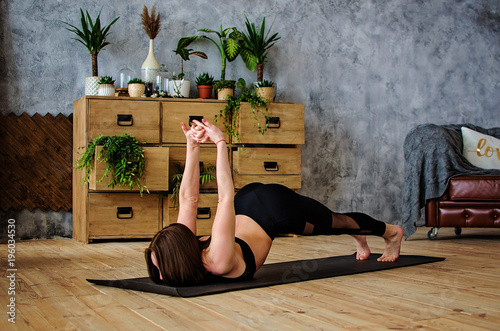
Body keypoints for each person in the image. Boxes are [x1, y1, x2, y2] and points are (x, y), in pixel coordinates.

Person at [145, 119, 404, 286]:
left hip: (274, 209)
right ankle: (358, 233)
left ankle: (391, 232)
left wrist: (220, 143)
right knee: (336, 223)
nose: (158, 273)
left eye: (159, 266)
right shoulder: (191, 253)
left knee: (334, 222)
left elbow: (224, 196)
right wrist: (192, 145)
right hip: (250, 208)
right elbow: (188, 200)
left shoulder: (218, 260)